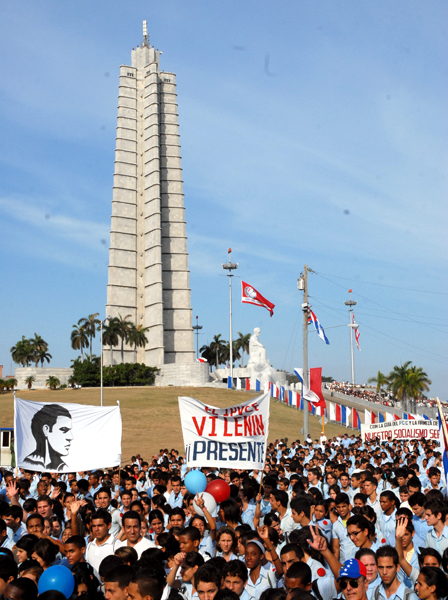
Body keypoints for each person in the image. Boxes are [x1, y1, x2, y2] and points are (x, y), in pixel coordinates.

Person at [23, 404, 73, 471]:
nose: (70, 437)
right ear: (46, 429)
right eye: (64, 430)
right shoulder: (28, 464)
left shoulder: (63, 467)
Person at [85, 509, 120, 577]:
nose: (96, 529)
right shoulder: (89, 546)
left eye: (100, 525)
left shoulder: (117, 545)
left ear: (109, 525)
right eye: (94, 526)